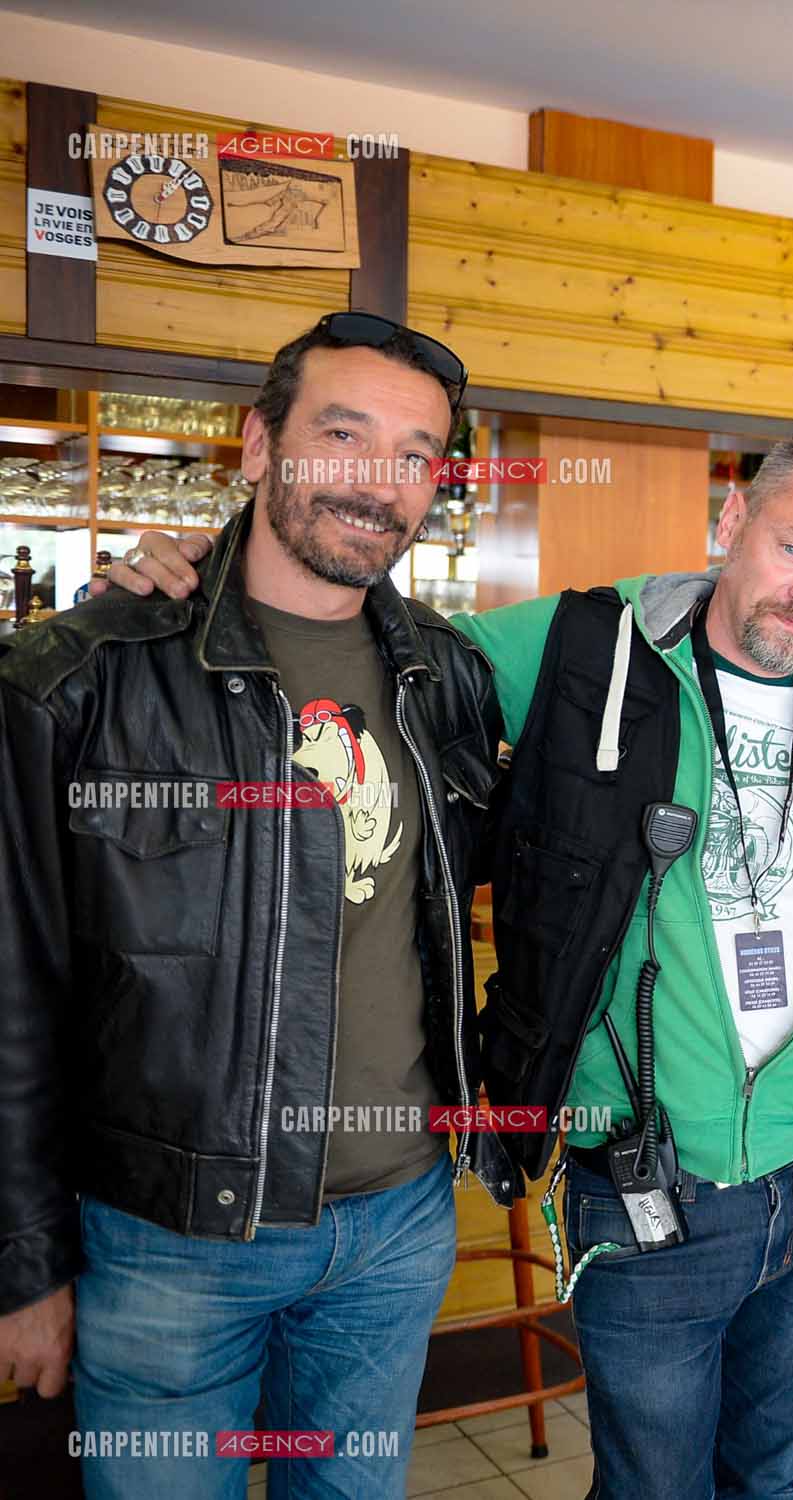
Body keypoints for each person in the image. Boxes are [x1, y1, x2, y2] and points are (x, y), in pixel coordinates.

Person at [97, 433, 793, 1499]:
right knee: (651, 1486)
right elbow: (356, 647)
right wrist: (194, 581)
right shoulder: (587, 649)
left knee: (775, 1474)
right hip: (649, 1176)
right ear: (730, 527)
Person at [0, 312, 511, 1499]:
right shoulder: (79, 679)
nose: (376, 483)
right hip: (167, 1237)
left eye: (414, 454)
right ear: (258, 444)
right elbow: (13, 990)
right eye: (343, 434)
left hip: (396, 1221)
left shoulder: (448, 675)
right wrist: (24, 1264)